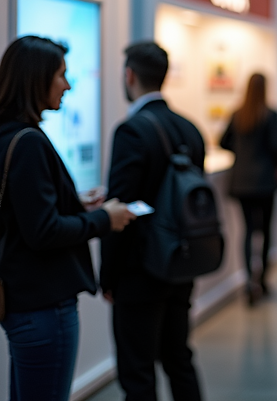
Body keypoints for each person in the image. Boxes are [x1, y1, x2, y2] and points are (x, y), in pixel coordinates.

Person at [0, 36, 134, 401]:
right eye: (61, 75)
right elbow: (42, 231)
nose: (68, 85)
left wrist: (73, 203)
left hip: (23, 299)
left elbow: (20, 211)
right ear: (36, 79)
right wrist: (106, 219)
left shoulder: (9, 135)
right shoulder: (28, 141)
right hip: (42, 304)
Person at [101, 41, 207, 401]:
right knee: (179, 357)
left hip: (139, 270)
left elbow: (121, 211)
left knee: (137, 372)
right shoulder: (190, 128)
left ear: (129, 75)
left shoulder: (131, 131)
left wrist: (109, 276)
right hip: (181, 261)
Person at [221, 73, 277, 305]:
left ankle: (249, 280)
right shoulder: (270, 115)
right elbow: (276, 147)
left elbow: (223, 141)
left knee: (248, 231)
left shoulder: (238, 114)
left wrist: (241, 153)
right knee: (266, 230)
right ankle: (264, 279)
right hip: (265, 181)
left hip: (241, 181)